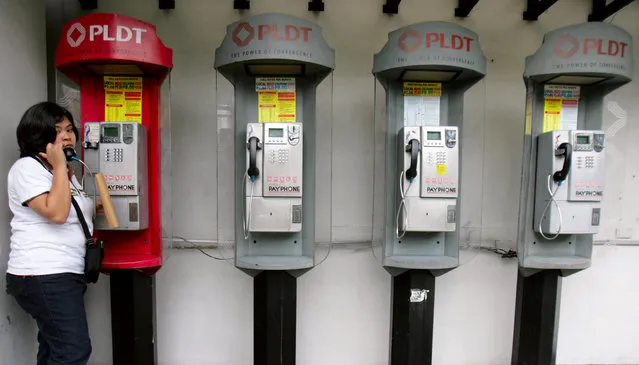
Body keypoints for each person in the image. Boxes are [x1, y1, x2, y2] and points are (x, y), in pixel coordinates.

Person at [5, 101, 99, 365]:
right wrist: (60, 167)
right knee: (73, 350)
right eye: (58, 130)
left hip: (63, 273)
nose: (67, 135)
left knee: (53, 349)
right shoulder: (27, 169)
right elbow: (57, 213)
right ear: (39, 135)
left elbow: (73, 209)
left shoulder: (63, 173)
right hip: (43, 273)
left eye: (70, 129)